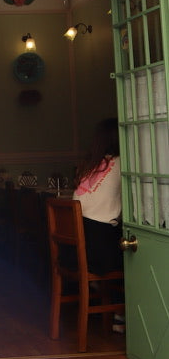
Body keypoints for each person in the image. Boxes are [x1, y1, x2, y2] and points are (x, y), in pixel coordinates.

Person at [73, 117, 122, 276]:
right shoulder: (123, 163)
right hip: (99, 252)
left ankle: (98, 289)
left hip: (74, 251)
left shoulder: (90, 165)